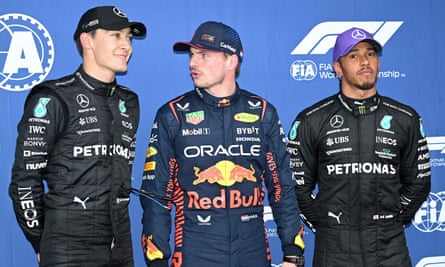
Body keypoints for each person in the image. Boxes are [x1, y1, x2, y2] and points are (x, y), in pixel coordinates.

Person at [139, 21, 305, 267]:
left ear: (231, 61)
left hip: (253, 252)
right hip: (196, 253)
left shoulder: (262, 113)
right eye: (192, 55)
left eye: (204, 55)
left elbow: (282, 186)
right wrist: (157, 261)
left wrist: (293, 252)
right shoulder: (173, 115)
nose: (192, 63)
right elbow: (155, 195)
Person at [9, 6, 146, 266]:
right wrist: (43, 240)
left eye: (128, 37)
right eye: (115, 35)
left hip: (120, 244)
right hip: (68, 246)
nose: (126, 45)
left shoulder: (128, 101)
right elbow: (25, 181)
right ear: (87, 40)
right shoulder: (53, 97)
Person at [287, 27, 431, 267]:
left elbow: (419, 182)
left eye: (371, 53)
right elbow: (297, 189)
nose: (365, 61)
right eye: (353, 55)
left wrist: (390, 220)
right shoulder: (311, 120)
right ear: (337, 67)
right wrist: (328, 226)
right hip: (334, 252)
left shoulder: (405, 118)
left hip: (390, 251)